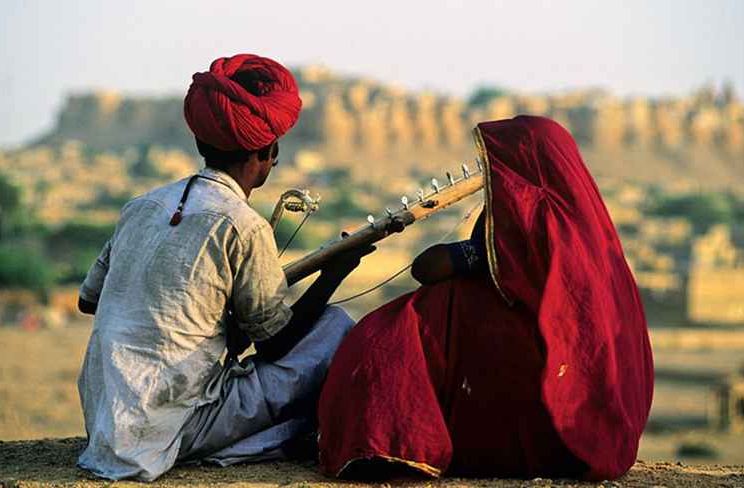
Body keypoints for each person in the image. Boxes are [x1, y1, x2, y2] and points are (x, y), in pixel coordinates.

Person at [76, 53, 374, 481]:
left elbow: (89, 301)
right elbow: (273, 346)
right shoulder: (243, 224)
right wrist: (335, 274)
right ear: (267, 152)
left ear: (201, 144)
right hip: (171, 421)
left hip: (105, 418)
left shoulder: (140, 207)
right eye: (274, 153)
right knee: (332, 326)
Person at [317, 116, 654, 481]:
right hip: (587, 430)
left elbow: (430, 267)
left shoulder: (532, 216)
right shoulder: (587, 228)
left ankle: (393, 436)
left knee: (401, 329)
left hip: (542, 408)